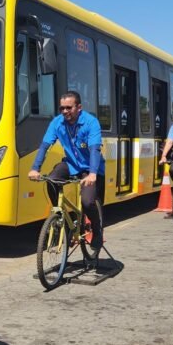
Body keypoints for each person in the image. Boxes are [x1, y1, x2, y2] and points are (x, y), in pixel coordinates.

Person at [28, 91, 105, 256]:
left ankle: (97, 231)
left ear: (79, 107)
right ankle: (60, 217)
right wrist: (35, 168)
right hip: (70, 164)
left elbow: (94, 149)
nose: (64, 111)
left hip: (90, 168)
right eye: (62, 108)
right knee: (51, 179)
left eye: (68, 108)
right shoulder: (57, 122)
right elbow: (45, 146)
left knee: (87, 202)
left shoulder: (91, 122)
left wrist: (92, 174)